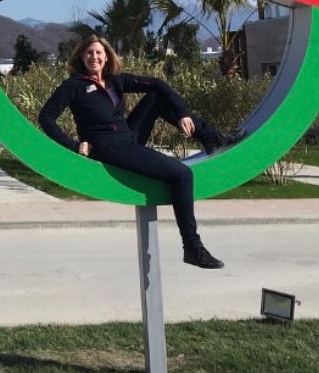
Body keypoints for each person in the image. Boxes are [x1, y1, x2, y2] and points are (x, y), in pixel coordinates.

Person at [39, 35, 243, 270]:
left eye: (98, 52)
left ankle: (212, 138)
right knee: (182, 174)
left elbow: (157, 84)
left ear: (106, 56)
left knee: (157, 95)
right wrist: (73, 145)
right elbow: (46, 116)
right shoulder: (74, 86)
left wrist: (182, 113)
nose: (94, 57)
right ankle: (192, 247)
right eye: (89, 53)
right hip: (108, 147)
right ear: (81, 58)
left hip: (128, 137)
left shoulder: (115, 81)